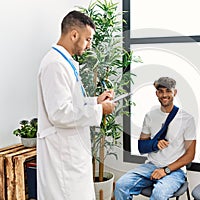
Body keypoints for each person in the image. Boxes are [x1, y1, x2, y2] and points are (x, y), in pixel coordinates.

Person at [37, 10, 116, 200]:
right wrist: (99, 110)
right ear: (74, 35)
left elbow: (73, 102)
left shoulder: (65, 62)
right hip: (63, 154)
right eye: (87, 39)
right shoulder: (55, 64)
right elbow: (59, 113)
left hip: (72, 150)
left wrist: (95, 101)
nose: (89, 45)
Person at [115, 77, 196, 200]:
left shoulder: (187, 119)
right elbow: (142, 146)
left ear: (175, 92)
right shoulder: (150, 116)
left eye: (168, 91)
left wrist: (165, 170)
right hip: (151, 166)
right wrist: (155, 144)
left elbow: (190, 155)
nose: (164, 95)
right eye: (161, 91)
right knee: (121, 185)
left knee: (159, 194)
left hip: (175, 170)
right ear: (156, 93)